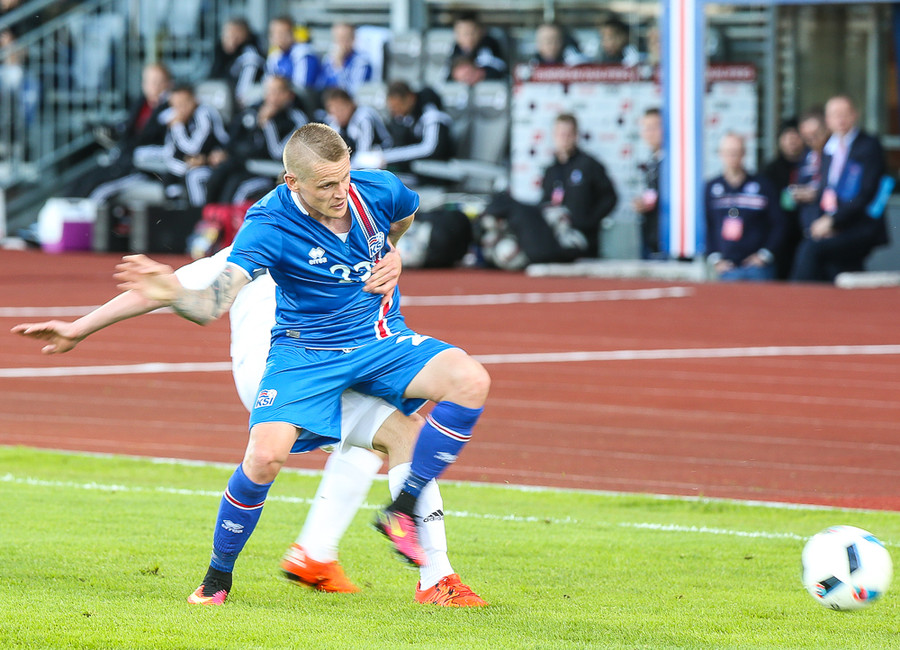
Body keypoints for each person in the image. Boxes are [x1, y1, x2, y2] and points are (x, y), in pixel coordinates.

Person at [114, 123, 490, 606]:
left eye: (344, 177)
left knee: (467, 383)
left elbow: (404, 214)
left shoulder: (376, 189)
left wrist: (393, 252)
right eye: (327, 185)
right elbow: (209, 305)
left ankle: (412, 533)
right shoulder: (266, 227)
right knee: (266, 457)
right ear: (293, 182)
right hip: (299, 355)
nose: (341, 192)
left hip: (372, 341)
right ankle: (219, 578)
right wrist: (159, 296)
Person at [11, 245, 486, 608]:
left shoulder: (352, 234)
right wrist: (79, 328)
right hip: (275, 376)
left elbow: (396, 222)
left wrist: (394, 257)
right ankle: (235, 572)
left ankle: (370, 565)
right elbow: (159, 292)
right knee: (270, 458)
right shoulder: (253, 244)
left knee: (401, 435)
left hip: (333, 365)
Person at [790, 95, 889, 282]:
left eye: (845, 114)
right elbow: (826, 190)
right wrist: (820, 223)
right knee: (835, 269)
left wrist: (833, 221)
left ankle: (796, 297)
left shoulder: (867, 146)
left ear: (855, 115)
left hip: (858, 225)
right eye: (835, 115)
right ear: (827, 120)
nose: (840, 119)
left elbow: (865, 193)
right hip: (832, 224)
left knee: (811, 250)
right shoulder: (829, 148)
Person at [64, 63, 172, 203]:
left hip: (141, 168)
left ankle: (86, 216)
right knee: (81, 182)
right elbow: (126, 130)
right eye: (149, 81)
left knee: (99, 192)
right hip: (123, 161)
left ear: (168, 83)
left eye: (158, 81)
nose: (153, 86)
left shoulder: (169, 110)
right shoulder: (140, 104)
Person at [204, 75, 308, 206]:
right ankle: (207, 215)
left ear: (289, 95)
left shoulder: (296, 119)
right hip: (245, 165)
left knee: (238, 191)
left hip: (270, 173)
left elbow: (278, 153)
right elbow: (236, 136)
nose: (272, 97)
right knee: (217, 178)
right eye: (269, 91)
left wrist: (267, 124)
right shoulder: (253, 111)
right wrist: (223, 152)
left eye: (278, 92)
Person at [704, 133, 785, 281]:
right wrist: (716, 259)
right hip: (726, 268)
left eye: (736, 152)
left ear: (744, 153)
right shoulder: (711, 187)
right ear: (720, 154)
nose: (732, 157)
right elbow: (708, 225)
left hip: (757, 268)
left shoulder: (763, 186)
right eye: (728, 152)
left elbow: (779, 223)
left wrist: (764, 255)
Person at [160, 83, 230, 207]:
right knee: (169, 177)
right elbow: (169, 152)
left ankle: (199, 215)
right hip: (195, 164)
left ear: (194, 99)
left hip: (217, 163)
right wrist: (186, 165)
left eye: (184, 103)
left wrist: (177, 127)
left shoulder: (204, 112)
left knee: (194, 176)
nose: (181, 108)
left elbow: (194, 148)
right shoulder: (175, 117)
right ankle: (176, 212)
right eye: (176, 105)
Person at [381, 81, 454, 183]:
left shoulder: (432, 115)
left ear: (410, 98)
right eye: (393, 108)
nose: (396, 111)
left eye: (398, 106)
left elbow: (430, 149)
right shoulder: (404, 118)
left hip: (436, 175)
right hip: (414, 171)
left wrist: (387, 157)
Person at [762, 118, 806, 280]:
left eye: (796, 137)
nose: (792, 142)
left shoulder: (810, 166)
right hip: (780, 237)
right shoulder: (770, 171)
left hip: (804, 232)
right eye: (787, 137)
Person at [322, 86, 393, 163]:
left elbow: (364, 152)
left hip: (383, 155)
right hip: (357, 159)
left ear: (351, 104)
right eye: (333, 111)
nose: (338, 114)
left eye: (341, 109)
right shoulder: (334, 122)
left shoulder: (364, 117)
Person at [209, 17, 266, 109]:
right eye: (226, 35)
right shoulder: (222, 55)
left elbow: (242, 95)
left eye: (233, 35)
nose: (228, 39)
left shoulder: (251, 58)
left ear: (244, 36)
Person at [632, 107, 663, 258]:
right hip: (649, 235)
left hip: (665, 238)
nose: (650, 133)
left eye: (655, 127)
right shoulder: (652, 161)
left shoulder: (675, 164)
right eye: (646, 128)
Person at [444, 10, 507, 82]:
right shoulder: (454, 49)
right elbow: (447, 78)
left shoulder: (489, 44)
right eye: (465, 33)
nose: (469, 37)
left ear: (480, 31)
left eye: (472, 32)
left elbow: (501, 69)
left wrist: (479, 73)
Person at [315, 22, 373, 97]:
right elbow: (319, 86)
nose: (342, 43)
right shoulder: (328, 59)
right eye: (338, 39)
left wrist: (339, 66)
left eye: (346, 38)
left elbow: (353, 93)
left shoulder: (362, 63)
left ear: (353, 39)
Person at [266, 16, 320, 94]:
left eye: (282, 33)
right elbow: (268, 82)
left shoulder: (304, 54)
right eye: (274, 33)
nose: (279, 37)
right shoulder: (274, 55)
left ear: (292, 34)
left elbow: (302, 88)